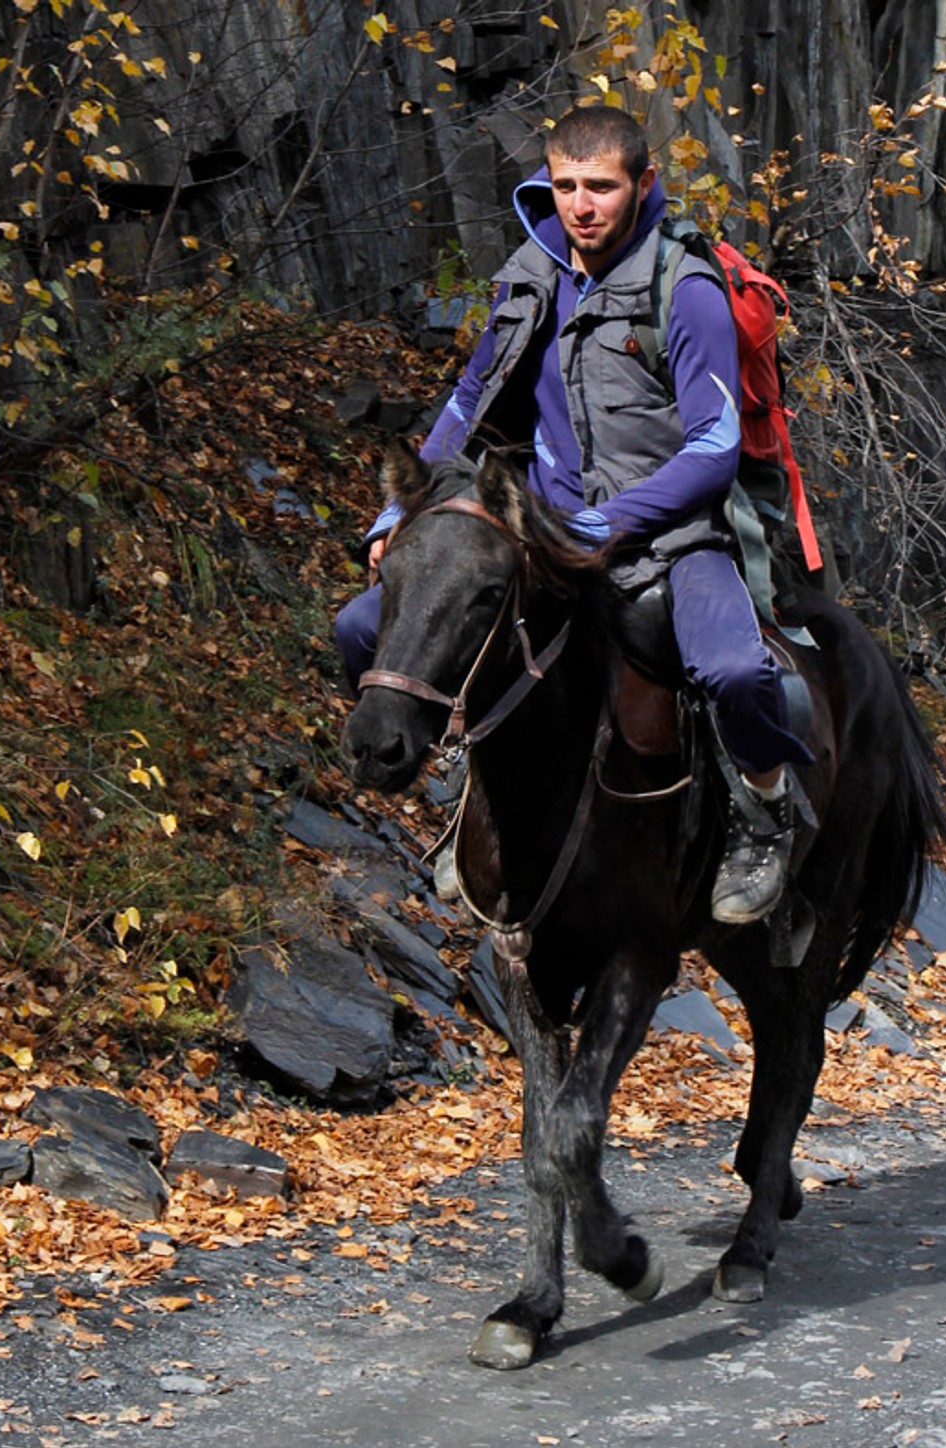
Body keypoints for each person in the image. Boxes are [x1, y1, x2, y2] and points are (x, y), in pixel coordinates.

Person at [336, 106, 811, 925]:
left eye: (601, 186)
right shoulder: (532, 272)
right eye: (565, 187)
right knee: (357, 630)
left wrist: (611, 522)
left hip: (671, 537)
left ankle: (763, 812)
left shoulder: (684, 286)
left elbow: (714, 446)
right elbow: (467, 402)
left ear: (642, 186)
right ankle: (470, 788)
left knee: (733, 671)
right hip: (544, 532)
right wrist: (393, 516)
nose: (581, 205)